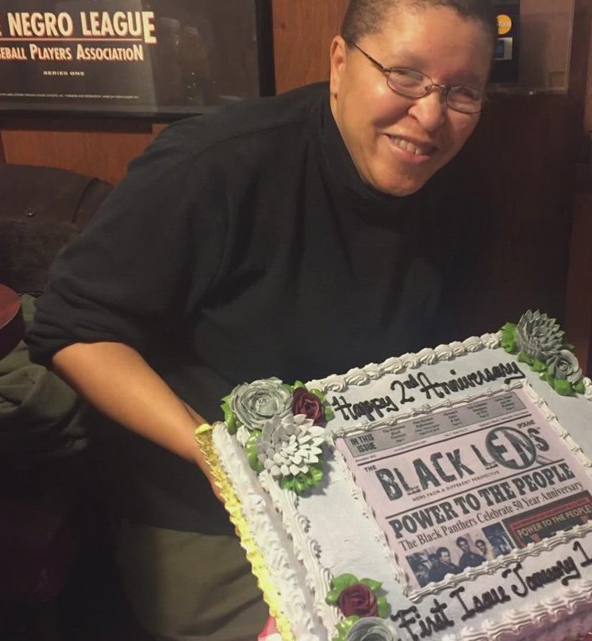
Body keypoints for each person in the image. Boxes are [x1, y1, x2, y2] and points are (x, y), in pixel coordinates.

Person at [27, 1, 498, 640]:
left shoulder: (457, 191)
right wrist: (216, 454)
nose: (430, 114)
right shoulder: (216, 162)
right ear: (340, 63)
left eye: (461, 93)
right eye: (404, 76)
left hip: (370, 505)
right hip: (207, 516)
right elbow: (73, 327)